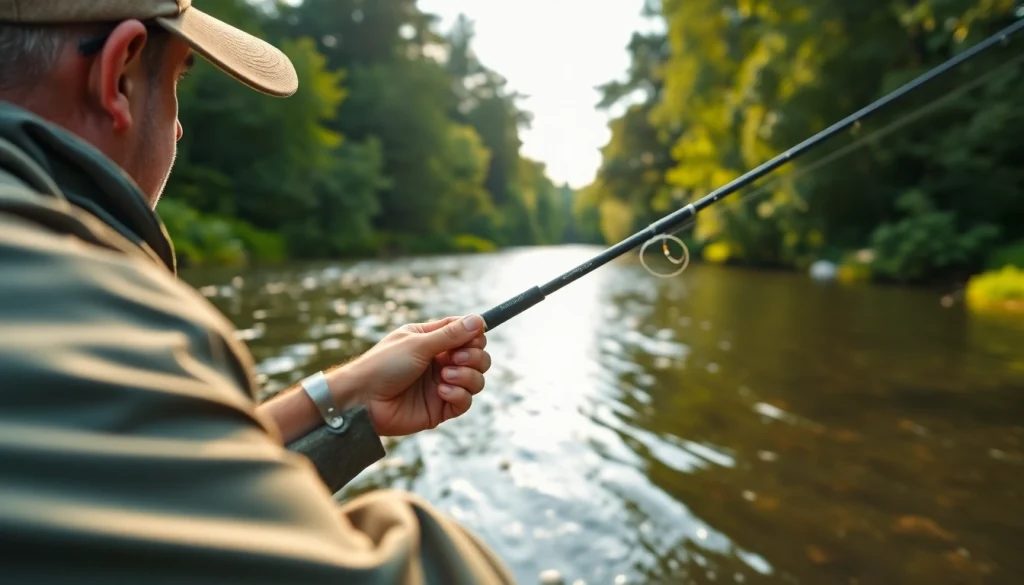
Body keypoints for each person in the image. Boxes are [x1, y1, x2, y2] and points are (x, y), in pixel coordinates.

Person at [0, 2, 516, 583]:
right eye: (175, 81)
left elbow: (158, 495)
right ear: (118, 75)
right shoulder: (99, 313)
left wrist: (345, 394)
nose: (177, 126)